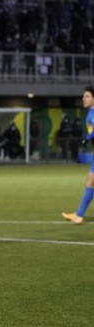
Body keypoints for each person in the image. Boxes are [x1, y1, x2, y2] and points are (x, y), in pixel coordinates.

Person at [62, 85, 94, 224]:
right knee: (90, 182)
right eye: (83, 96)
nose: (83, 98)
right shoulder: (90, 113)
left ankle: (79, 215)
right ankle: (79, 215)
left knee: (90, 182)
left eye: (87, 96)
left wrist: (87, 138)